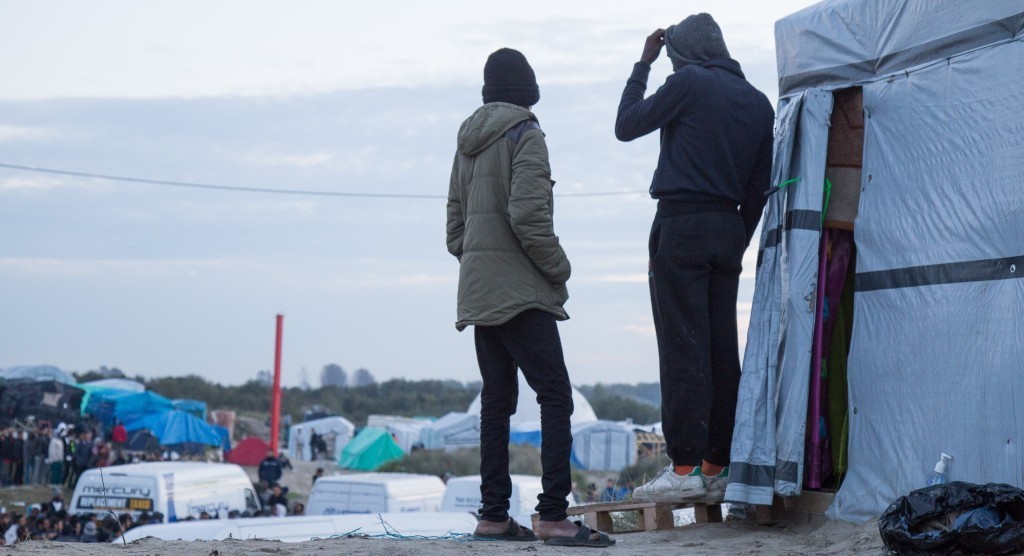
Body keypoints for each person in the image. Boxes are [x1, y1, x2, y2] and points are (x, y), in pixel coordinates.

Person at [446, 47, 613, 548]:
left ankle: (493, 517)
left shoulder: (466, 145)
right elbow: (528, 218)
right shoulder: (527, 135)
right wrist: (559, 269)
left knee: (496, 403)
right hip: (522, 293)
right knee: (556, 396)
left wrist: (480, 261)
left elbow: (455, 231)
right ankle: (554, 517)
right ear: (527, 90)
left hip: (479, 293)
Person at [615, 13, 774, 502]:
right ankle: (716, 466)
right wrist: (736, 239)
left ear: (684, 56)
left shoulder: (688, 83)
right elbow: (759, 187)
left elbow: (626, 125)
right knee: (722, 350)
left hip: (681, 223)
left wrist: (643, 64)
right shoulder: (758, 102)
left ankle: (683, 469)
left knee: (682, 345)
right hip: (729, 226)